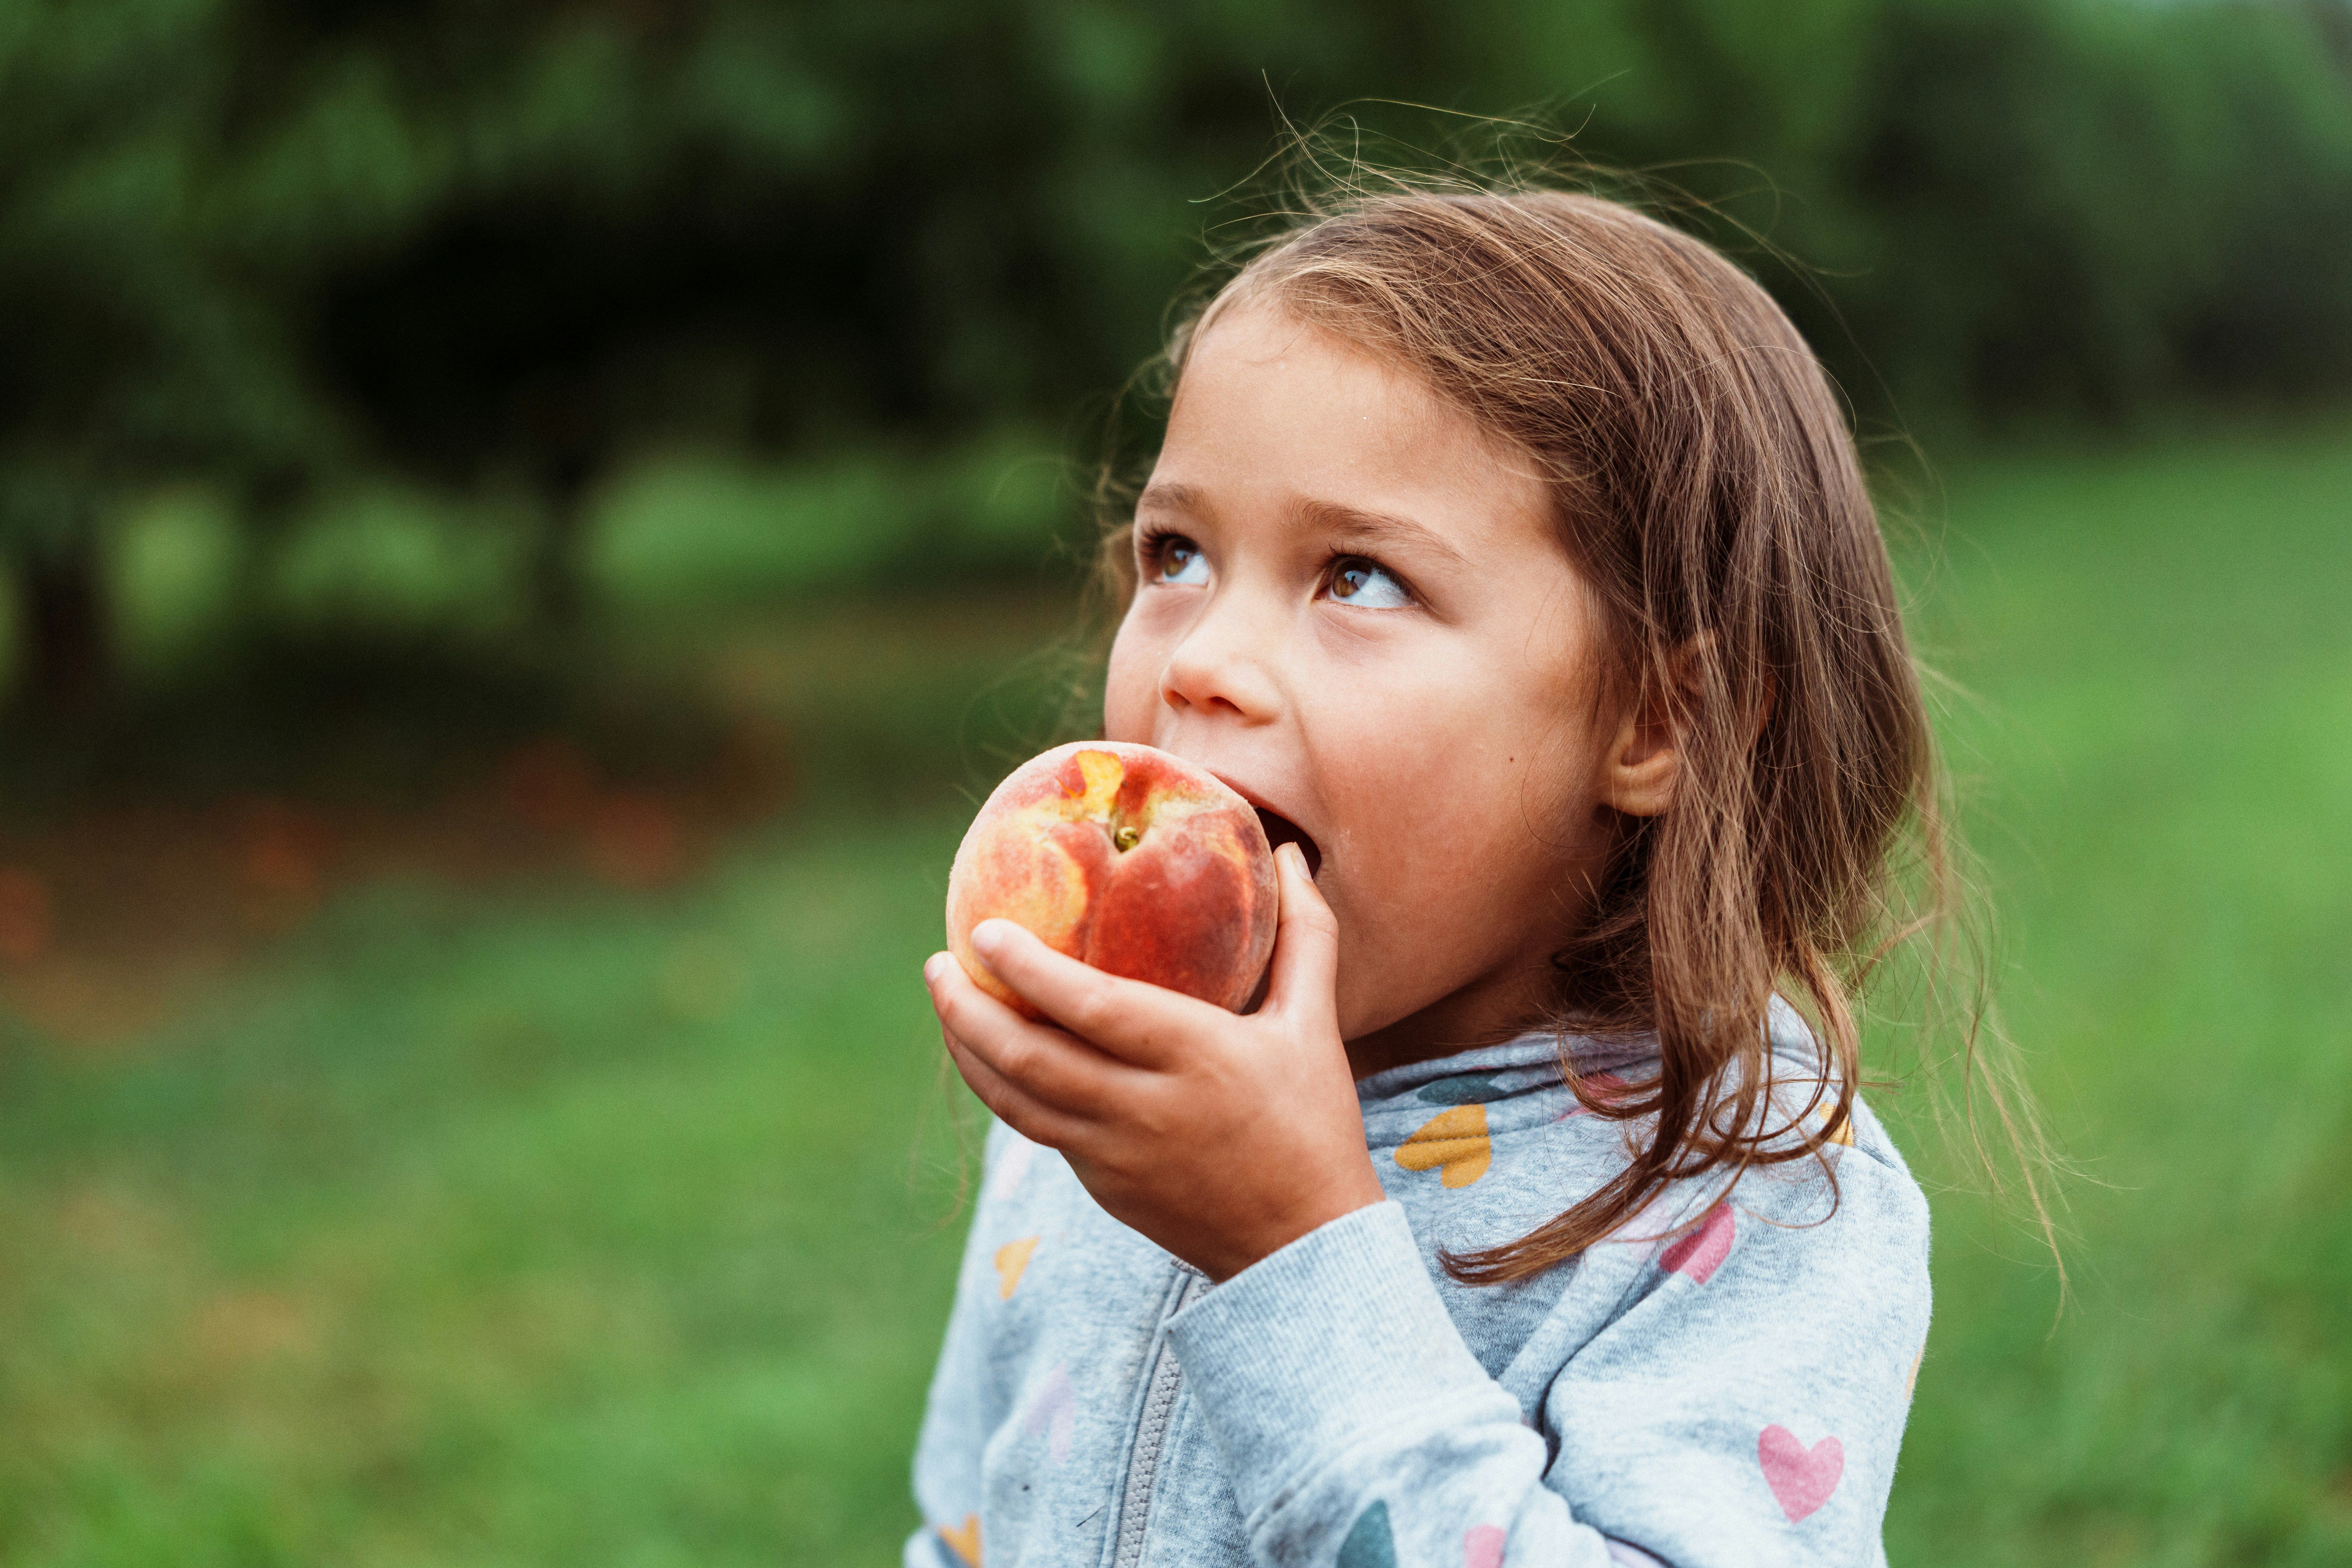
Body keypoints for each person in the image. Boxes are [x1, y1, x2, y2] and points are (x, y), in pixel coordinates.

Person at [909, 183, 2017, 1567]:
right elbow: (964, 1527)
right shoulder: (1108, 1064)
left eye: (1356, 576)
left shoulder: (1747, 1190)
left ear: (1654, 723)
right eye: (1177, 553)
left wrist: (1291, 1250)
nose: (1197, 659)